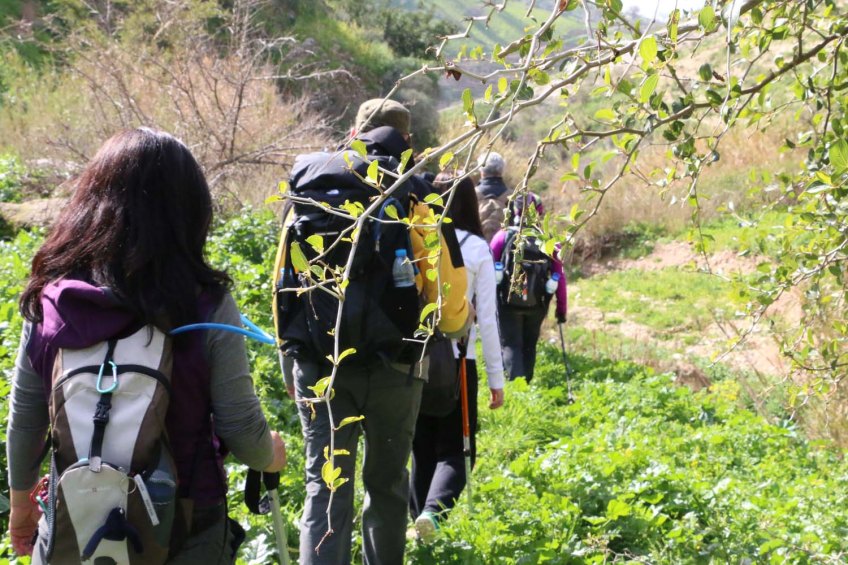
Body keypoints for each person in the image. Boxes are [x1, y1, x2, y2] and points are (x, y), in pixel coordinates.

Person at [6, 128, 286, 564]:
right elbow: (241, 430)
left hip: (77, 523)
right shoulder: (205, 303)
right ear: (189, 212)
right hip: (186, 526)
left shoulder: (53, 302)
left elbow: (25, 424)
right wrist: (270, 454)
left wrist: (22, 508)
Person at [274, 99, 471, 564]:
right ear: (406, 141)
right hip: (396, 368)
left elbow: (283, 277)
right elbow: (450, 310)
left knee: (324, 489)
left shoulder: (311, 185)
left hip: (320, 366)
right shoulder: (415, 194)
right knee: (385, 486)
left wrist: (291, 357)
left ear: (353, 132)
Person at [409, 172, 505, 541]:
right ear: (470, 202)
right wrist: (496, 379)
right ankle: (431, 518)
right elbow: (490, 322)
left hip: (416, 359)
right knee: (457, 451)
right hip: (459, 361)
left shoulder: (419, 239)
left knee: (421, 447)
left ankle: (417, 527)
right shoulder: (477, 249)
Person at [491, 193, 567, 383]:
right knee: (529, 344)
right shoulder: (550, 242)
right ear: (540, 214)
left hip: (507, 301)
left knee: (511, 343)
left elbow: (488, 270)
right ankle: (526, 383)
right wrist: (561, 310)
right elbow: (561, 278)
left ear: (515, 211)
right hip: (537, 302)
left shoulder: (503, 236)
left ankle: (517, 386)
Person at [475, 151, 511, 242]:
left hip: (478, 249)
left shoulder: (472, 194)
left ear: (481, 170)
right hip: (504, 250)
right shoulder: (513, 196)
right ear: (501, 170)